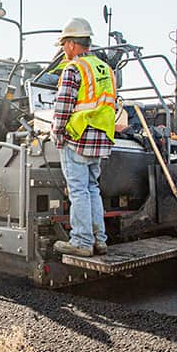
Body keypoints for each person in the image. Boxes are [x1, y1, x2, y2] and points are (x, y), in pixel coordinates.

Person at [50, 17, 116, 258]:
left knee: (77, 190)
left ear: (70, 44)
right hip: (100, 138)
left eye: (64, 45)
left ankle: (81, 242)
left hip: (78, 138)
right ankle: (100, 240)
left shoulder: (74, 68)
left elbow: (63, 107)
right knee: (91, 189)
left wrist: (57, 134)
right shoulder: (105, 69)